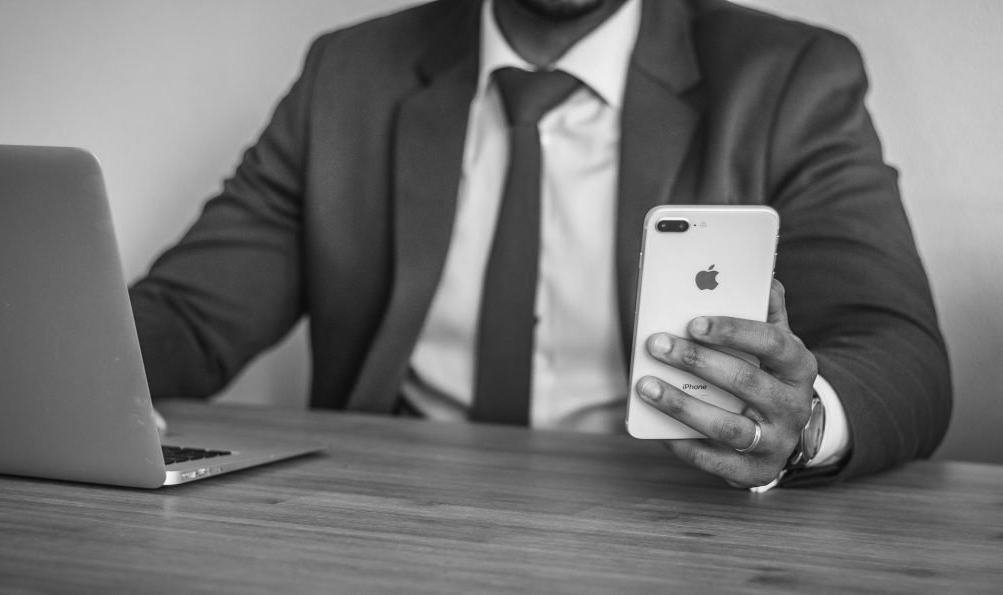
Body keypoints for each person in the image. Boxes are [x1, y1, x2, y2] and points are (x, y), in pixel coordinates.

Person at [130, 0, 952, 489]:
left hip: (670, 520)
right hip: (382, 522)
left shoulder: (790, 75)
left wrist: (802, 419)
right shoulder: (349, 71)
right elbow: (191, 319)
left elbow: (899, 351)